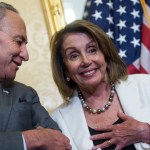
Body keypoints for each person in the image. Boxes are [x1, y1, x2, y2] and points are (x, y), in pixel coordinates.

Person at [50, 19, 150, 150]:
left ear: (106, 57)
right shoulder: (59, 120)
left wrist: (146, 133)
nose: (85, 61)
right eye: (74, 56)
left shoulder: (145, 85)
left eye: (92, 50)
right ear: (65, 70)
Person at [0, 2, 72, 150]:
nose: (26, 56)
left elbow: (60, 142)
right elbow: (42, 139)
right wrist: (31, 139)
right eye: (18, 42)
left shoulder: (26, 94)